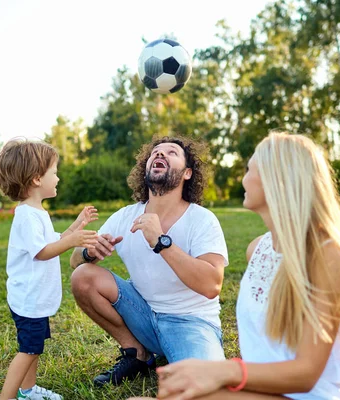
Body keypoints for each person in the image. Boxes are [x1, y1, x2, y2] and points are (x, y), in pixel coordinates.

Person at [130, 131, 340, 400]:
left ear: (278, 178)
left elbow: (307, 375)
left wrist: (224, 373)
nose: (243, 178)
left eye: (250, 169)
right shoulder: (258, 249)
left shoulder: (328, 255)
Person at [69, 135, 229, 387]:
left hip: (190, 322)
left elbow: (212, 285)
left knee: (209, 387)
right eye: (156, 152)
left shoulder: (202, 220)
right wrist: (89, 252)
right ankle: (137, 354)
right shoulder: (125, 216)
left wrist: (161, 242)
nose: (160, 154)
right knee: (83, 276)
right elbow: (74, 261)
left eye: (171, 152)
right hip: (142, 315)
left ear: (187, 173)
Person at [0, 138, 99, 400]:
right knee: (27, 349)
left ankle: (27, 391)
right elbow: (42, 253)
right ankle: (6, 397)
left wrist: (77, 225)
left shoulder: (37, 212)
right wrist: (71, 242)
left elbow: (53, 240)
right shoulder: (27, 216)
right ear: (37, 179)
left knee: (34, 348)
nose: (58, 178)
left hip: (35, 298)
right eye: (54, 172)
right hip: (28, 299)